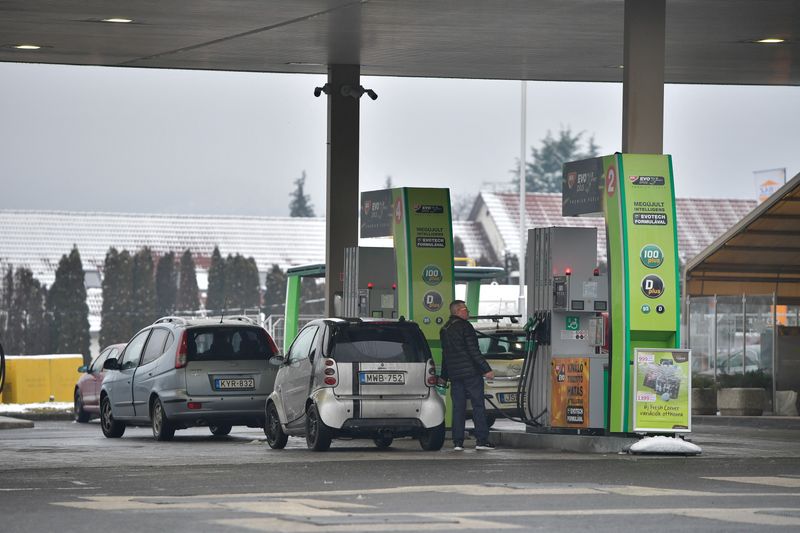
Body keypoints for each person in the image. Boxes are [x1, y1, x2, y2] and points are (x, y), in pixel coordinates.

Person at [439, 300, 496, 451]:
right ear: (458, 311)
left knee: (458, 407)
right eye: (466, 309)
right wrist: (486, 369)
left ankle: (458, 442)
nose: (468, 312)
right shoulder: (465, 327)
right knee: (478, 405)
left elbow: (446, 355)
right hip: (471, 373)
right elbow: (473, 351)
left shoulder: (444, 329)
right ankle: (481, 441)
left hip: (455, 375)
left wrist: (444, 376)